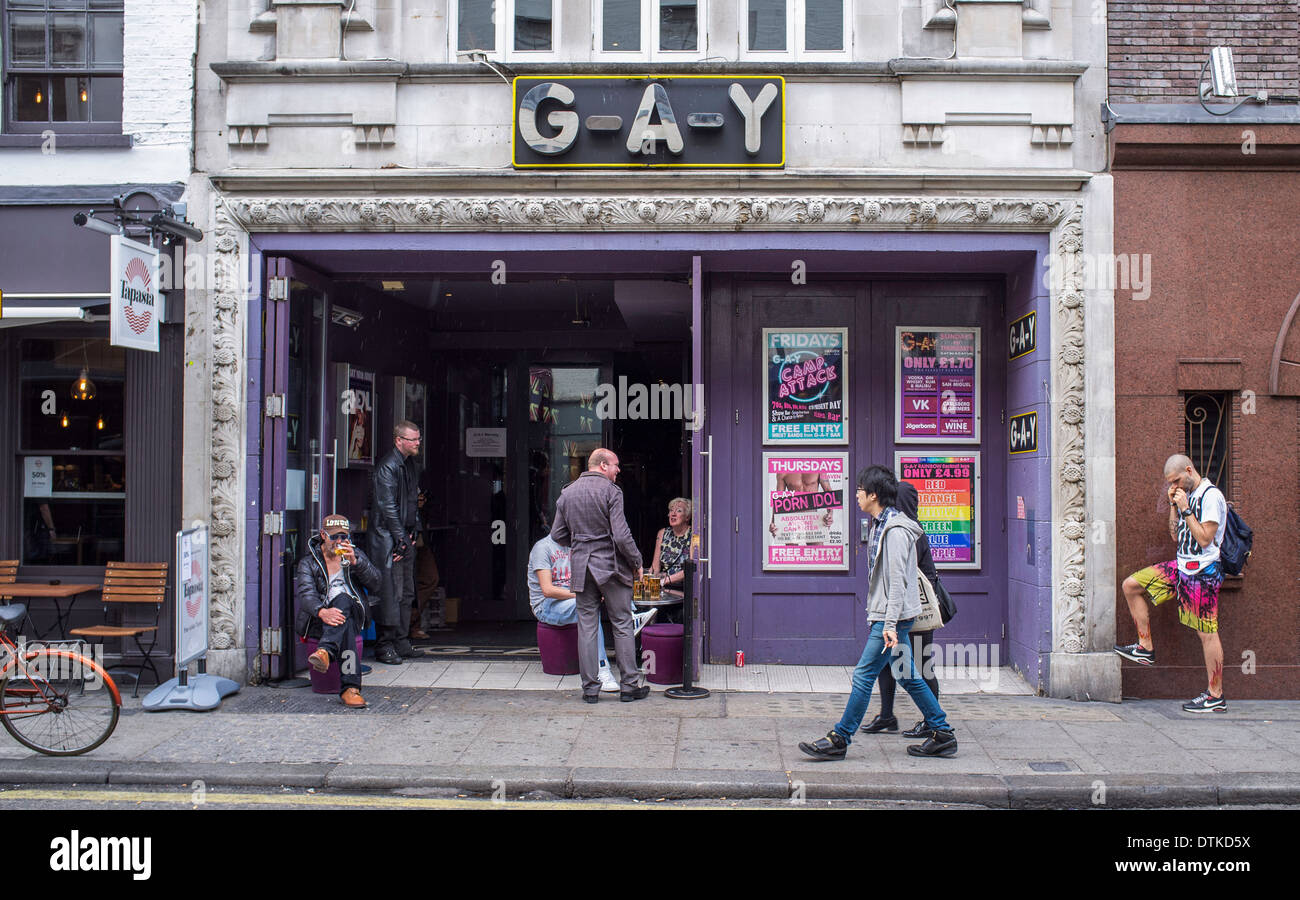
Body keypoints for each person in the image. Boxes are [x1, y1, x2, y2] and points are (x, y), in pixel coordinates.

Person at [797, 465, 957, 760]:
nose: (856, 495)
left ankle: (840, 737)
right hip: (889, 614)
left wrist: (890, 624)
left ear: (873, 495)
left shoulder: (894, 531)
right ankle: (942, 732)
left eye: (859, 490)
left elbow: (898, 581)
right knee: (907, 675)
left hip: (890, 617)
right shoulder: (880, 524)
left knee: (863, 674)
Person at [1115, 454, 1229, 712]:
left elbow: (1204, 539)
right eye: (1170, 483)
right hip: (1180, 566)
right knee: (1131, 585)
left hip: (1204, 572)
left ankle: (1215, 696)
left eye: (1177, 480)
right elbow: (1175, 535)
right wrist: (1173, 506)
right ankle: (1145, 647)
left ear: (1189, 470)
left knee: (1207, 633)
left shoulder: (1211, 496)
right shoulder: (1182, 497)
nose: (1174, 486)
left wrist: (1186, 508)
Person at [551, 447, 648, 703]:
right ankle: (629, 687)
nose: (618, 470)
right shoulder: (611, 491)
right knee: (622, 623)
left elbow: (557, 535)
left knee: (587, 627)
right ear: (603, 465)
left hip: (582, 568)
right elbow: (621, 534)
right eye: (616, 465)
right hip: (610, 567)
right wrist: (637, 560)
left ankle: (590, 690)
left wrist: (581, 542)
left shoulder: (567, 493)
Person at [860, 478, 944, 738]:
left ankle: (933, 722)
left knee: (920, 665)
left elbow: (899, 576)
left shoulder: (904, 531)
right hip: (898, 611)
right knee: (891, 665)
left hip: (911, 610)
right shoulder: (897, 527)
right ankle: (887, 715)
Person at [296, 514, 382, 708]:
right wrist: (322, 612)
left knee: (343, 599)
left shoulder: (354, 555)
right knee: (346, 623)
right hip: (322, 619)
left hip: (350, 610)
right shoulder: (308, 563)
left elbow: (377, 583)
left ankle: (326, 650)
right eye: (334, 537)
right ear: (323, 535)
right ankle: (350, 689)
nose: (339, 542)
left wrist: (357, 563)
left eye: (344, 537)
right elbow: (306, 595)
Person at [530, 534, 621, 693]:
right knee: (587, 606)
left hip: (573, 599)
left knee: (608, 589)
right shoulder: (542, 547)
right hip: (546, 606)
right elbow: (547, 590)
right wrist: (582, 596)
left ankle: (632, 616)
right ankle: (601, 669)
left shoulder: (577, 545)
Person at [368, 419, 422, 665]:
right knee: (392, 593)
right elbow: (387, 508)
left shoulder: (408, 465)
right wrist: (400, 540)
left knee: (406, 592)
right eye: (413, 439)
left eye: (418, 438)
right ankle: (385, 645)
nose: (418, 443)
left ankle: (401, 640)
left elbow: (413, 500)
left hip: (401, 537)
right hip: (388, 540)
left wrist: (413, 530)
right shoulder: (388, 468)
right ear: (399, 440)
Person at [650, 498, 692, 593]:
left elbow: (691, 569)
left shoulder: (694, 536)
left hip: (685, 589)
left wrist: (666, 580)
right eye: (671, 510)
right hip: (664, 588)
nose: (673, 514)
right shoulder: (662, 533)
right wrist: (650, 578)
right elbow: (655, 567)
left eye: (679, 511)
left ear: (687, 517)